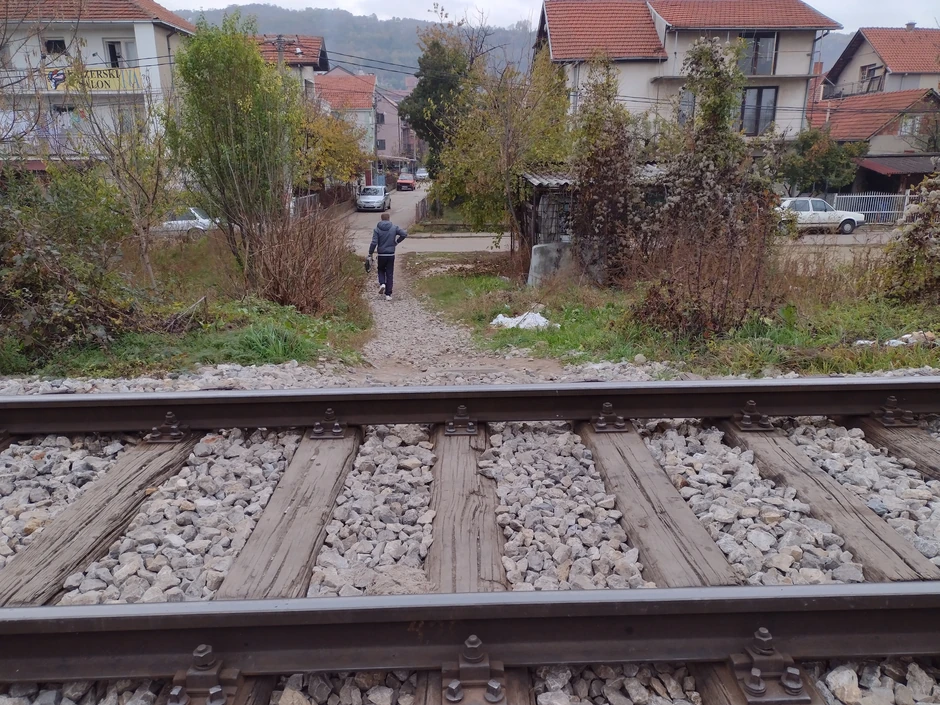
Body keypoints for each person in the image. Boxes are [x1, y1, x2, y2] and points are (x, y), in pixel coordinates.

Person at [368, 212, 408, 301]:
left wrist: (370, 253)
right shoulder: (394, 228)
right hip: (391, 254)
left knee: (381, 269)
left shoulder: (377, 229)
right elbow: (404, 234)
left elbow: (374, 242)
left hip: (381, 254)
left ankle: (382, 283)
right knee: (389, 273)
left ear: (381, 219)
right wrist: (396, 242)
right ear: (389, 218)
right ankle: (388, 294)